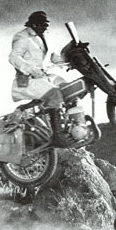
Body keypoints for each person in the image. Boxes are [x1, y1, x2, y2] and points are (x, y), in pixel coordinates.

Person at [8, 11, 71, 146]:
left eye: (47, 25)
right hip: (26, 80)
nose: (46, 28)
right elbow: (14, 57)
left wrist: (67, 60)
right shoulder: (22, 37)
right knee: (54, 94)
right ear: (35, 24)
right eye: (44, 25)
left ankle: (67, 126)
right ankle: (58, 136)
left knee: (66, 89)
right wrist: (31, 69)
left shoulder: (42, 36)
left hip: (42, 77)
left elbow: (50, 57)